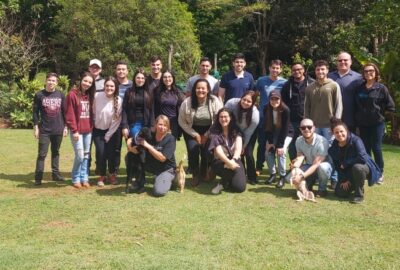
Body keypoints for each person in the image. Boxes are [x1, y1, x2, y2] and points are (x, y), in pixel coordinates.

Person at [355, 63, 395, 183]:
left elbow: (391, 106)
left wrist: (380, 116)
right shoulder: (360, 88)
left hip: (377, 124)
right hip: (363, 124)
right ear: (363, 74)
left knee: (376, 148)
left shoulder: (381, 88)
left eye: (371, 71)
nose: (368, 73)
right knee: (365, 149)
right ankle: (370, 171)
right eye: (366, 71)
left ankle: (379, 173)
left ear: (376, 73)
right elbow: (357, 105)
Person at [178, 78, 223, 186]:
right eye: (198, 88)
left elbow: (219, 119)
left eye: (203, 88)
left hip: (211, 129)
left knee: (207, 151)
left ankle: (205, 171)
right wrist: (195, 134)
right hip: (191, 129)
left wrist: (207, 135)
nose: (200, 90)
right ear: (194, 89)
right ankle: (195, 174)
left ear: (208, 90)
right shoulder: (187, 102)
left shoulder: (214, 100)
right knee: (193, 150)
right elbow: (181, 121)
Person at [328, 119, 382, 203]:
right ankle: (355, 184)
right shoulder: (333, 148)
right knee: (340, 193)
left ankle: (359, 195)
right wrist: (344, 179)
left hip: (363, 166)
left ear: (346, 130)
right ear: (333, 134)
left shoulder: (356, 140)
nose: (339, 134)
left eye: (341, 131)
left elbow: (362, 158)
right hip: (348, 172)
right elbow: (338, 166)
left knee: (357, 168)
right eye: (336, 132)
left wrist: (346, 163)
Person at [126, 115, 176, 196]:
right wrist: (129, 146)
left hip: (166, 169)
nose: (162, 127)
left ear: (168, 127)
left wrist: (147, 145)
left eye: (165, 125)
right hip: (152, 167)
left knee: (158, 192)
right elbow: (132, 139)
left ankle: (172, 180)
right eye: (160, 124)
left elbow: (162, 158)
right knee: (130, 156)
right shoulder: (149, 135)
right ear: (156, 125)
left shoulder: (170, 139)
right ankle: (139, 182)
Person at [33, 73, 68, 185]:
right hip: (44, 130)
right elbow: (35, 113)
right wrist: (36, 127)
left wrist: (66, 127)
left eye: (53, 81)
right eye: (49, 80)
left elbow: (65, 112)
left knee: (56, 152)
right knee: (42, 154)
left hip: (58, 129)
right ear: (46, 81)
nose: (51, 82)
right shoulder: (39, 95)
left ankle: (56, 175)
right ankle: (38, 178)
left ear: (56, 83)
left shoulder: (61, 95)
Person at [255, 59, 287, 174]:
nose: (275, 70)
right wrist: (256, 108)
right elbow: (255, 95)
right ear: (269, 68)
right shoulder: (261, 81)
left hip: (278, 118)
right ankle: (258, 166)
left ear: (280, 69)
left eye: (277, 68)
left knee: (278, 142)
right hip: (264, 118)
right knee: (262, 143)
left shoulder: (284, 82)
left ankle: (280, 168)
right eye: (273, 67)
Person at [65, 72, 95, 188]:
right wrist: (74, 130)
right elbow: (69, 114)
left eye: (90, 82)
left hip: (88, 130)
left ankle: (84, 178)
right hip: (77, 131)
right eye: (85, 81)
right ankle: (75, 178)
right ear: (81, 80)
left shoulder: (90, 95)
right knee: (80, 155)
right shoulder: (72, 94)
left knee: (86, 155)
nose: (87, 84)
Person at [291, 119, 333, 197]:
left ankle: (322, 189)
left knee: (322, 167)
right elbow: (300, 156)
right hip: (309, 165)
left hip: (322, 167)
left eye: (309, 127)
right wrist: (295, 167)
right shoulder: (298, 140)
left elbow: (316, 164)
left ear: (314, 128)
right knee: (291, 175)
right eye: (303, 128)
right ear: (300, 129)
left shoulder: (322, 142)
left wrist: (301, 176)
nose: (306, 129)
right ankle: (306, 187)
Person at [92, 77, 123, 186]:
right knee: (101, 153)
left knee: (112, 154)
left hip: (112, 131)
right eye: (107, 85)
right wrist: (95, 124)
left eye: (112, 86)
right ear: (104, 86)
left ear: (115, 88)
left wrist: (108, 135)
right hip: (98, 131)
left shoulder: (119, 100)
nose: (109, 88)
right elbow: (94, 111)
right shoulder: (97, 96)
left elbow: (116, 120)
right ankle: (102, 175)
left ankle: (112, 175)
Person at [209, 108, 247, 194]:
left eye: (225, 117)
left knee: (239, 188)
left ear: (230, 118)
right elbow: (218, 151)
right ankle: (221, 184)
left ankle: (225, 182)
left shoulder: (236, 130)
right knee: (228, 168)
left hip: (235, 159)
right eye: (221, 117)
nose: (223, 119)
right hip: (219, 161)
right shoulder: (214, 131)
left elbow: (238, 149)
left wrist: (232, 161)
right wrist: (228, 163)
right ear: (218, 119)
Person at [281, 62, 315, 160]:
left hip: (309, 120)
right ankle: (294, 167)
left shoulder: (312, 83)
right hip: (293, 121)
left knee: (311, 144)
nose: (297, 71)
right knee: (293, 146)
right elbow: (283, 103)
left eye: (299, 69)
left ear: (303, 70)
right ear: (292, 72)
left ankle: (310, 168)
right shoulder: (287, 85)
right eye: (294, 70)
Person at [225, 90, 259, 185]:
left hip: (249, 132)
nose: (245, 103)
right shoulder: (231, 103)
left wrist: (243, 145)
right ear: (241, 98)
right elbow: (224, 116)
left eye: (249, 101)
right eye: (244, 99)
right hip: (235, 130)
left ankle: (252, 177)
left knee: (247, 153)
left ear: (253, 103)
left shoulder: (255, 115)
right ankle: (241, 175)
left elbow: (248, 133)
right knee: (236, 152)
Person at [305, 60, 343, 140]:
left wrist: (336, 124)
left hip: (329, 125)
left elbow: (338, 105)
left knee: (330, 149)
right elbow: (306, 107)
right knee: (315, 149)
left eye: (322, 69)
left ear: (327, 70)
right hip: (314, 125)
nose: (320, 71)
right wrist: (307, 123)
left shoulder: (334, 85)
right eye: (318, 69)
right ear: (315, 71)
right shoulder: (310, 87)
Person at [263, 90, 292, 188]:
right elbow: (266, 126)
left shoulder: (285, 110)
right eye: (272, 99)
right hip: (273, 132)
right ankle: (273, 174)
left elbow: (285, 129)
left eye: (277, 99)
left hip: (287, 133)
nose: (274, 101)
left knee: (281, 152)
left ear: (280, 99)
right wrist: (270, 142)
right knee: (268, 152)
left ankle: (282, 176)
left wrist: (279, 146)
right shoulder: (266, 108)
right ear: (269, 99)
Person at [328, 52, 363, 132]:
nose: (342, 62)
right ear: (336, 63)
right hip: (332, 118)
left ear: (350, 62)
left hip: (351, 119)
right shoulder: (329, 76)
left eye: (345, 60)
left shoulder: (358, 78)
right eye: (340, 60)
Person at [121, 69, 154, 141]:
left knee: (146, 147)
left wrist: (152, 125)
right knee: (136, 144)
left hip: (146, 123)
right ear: (134, 79)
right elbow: (124, 109)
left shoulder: (149, 92)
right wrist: (124, 126)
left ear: (145, 79)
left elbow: (152, 110)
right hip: (134, 124)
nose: (140, 80)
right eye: (138, 78)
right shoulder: (129, 92)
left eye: (142, 78)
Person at [154, 70, 185, 139]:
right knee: (159, 145)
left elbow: (183, 105)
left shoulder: (178, 91)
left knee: (170, 145)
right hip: (161, 122)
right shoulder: (157, 91)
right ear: (162, 79)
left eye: (169, 77)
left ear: (173, 78)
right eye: (165, 77)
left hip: (174, 123)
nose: (167, 79)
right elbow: (153, 108)